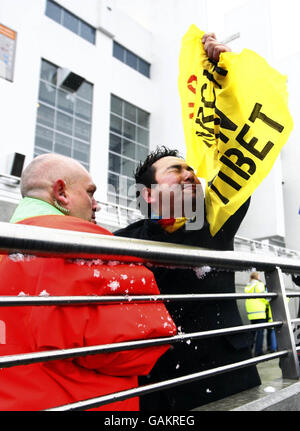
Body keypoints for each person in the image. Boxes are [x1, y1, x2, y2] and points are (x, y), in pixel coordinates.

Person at [0, 153, 176, 411]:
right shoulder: (91, 248)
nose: (96, 205)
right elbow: (140, 349)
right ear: (61, 193)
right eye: (90, 193)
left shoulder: (6, 251)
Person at [245, 272, 277, 356]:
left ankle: (248, 350)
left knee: (253, 332)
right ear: (257, 276)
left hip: (251, 313)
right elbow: (265, 297)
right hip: (259, 312)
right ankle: (258, 351)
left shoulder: (248, 286)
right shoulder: (259, 284)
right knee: (260, 332)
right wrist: (269, 302)